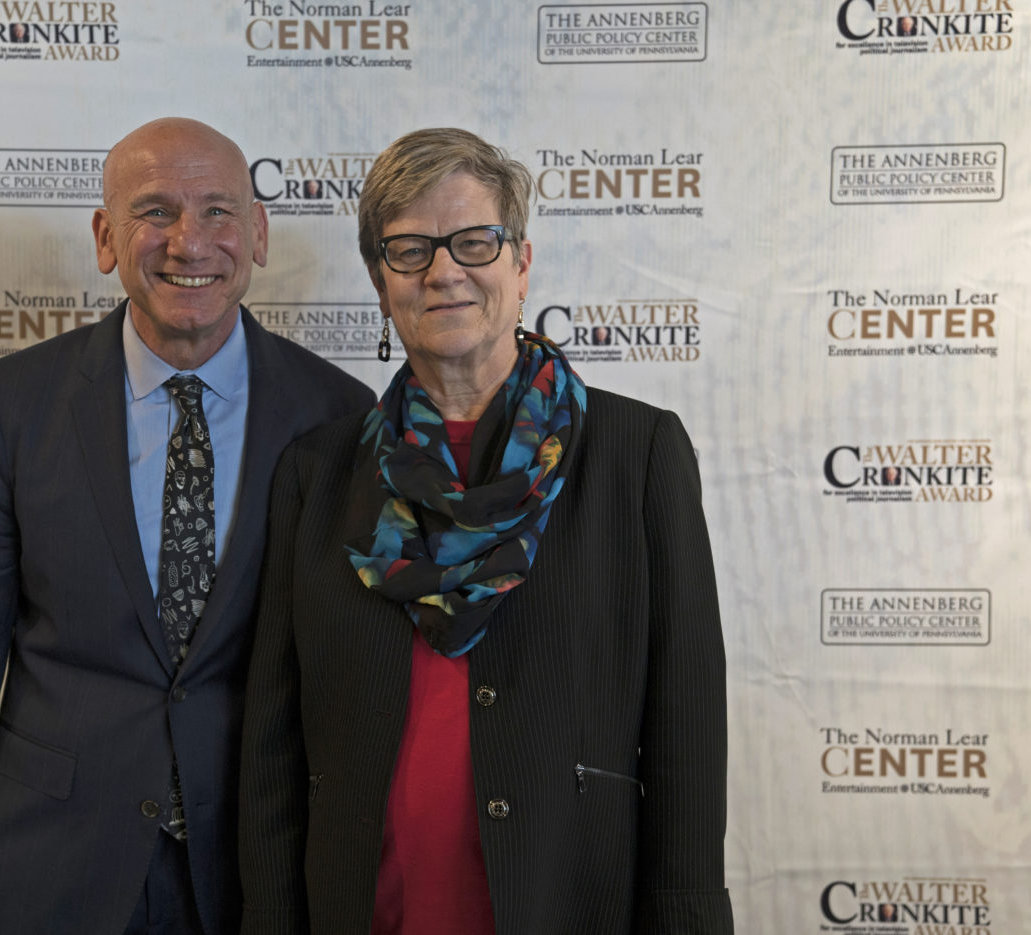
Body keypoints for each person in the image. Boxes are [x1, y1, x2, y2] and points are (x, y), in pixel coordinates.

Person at [0, 118, 373, 935]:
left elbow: (349, 681)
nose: (190, 242)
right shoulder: (13, 405)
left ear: (257, 233)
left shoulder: (340, 414)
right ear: (107, 238)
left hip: (256, 877)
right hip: (50, 872)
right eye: (155, 211)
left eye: (219, 210)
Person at [239, 128, 731, 934]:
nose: (443, 271)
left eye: (474, 241)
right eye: (410, 250)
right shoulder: (318, 473)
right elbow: (273, 746)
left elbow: (687, 738)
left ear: (521, 264)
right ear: (379, 279)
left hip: (567, 904)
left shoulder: (636, 455)